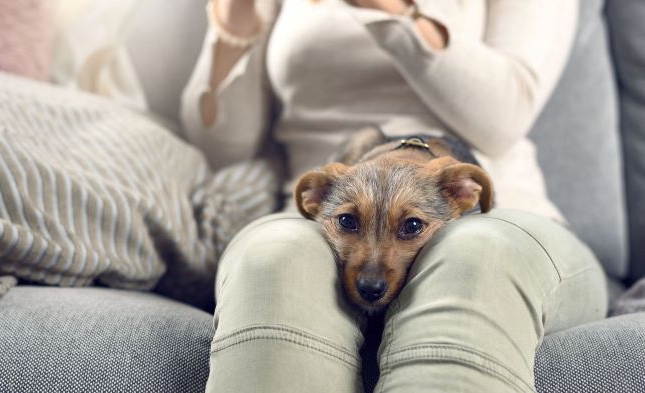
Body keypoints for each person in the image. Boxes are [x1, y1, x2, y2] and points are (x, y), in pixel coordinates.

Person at [180, 0, 608, 391]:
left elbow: (504, 119)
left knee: (478, 255)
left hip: (500, 212)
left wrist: (394, 11)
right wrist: (235, 21)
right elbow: (220, 147)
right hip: (329, 204)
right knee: (278, 258)